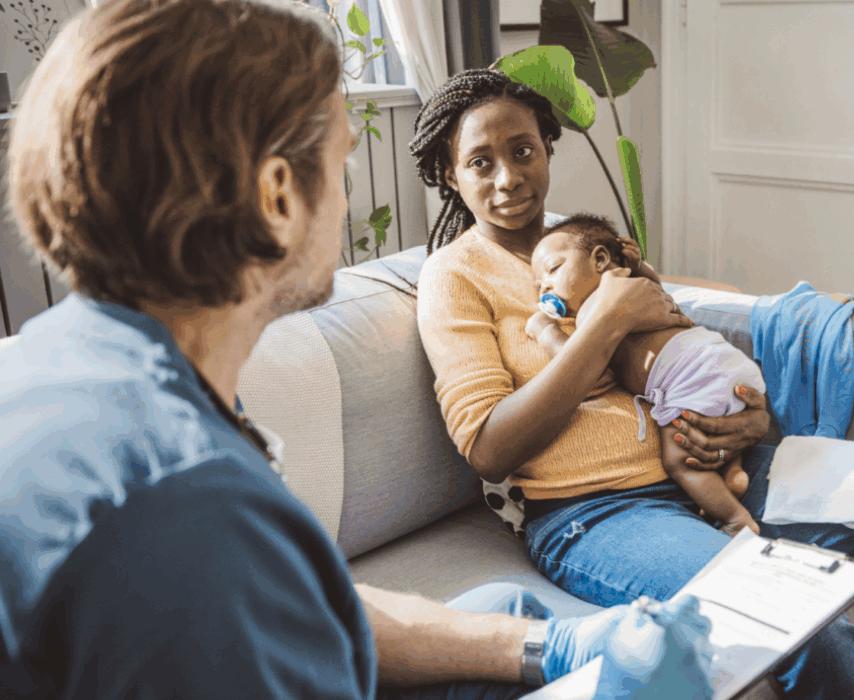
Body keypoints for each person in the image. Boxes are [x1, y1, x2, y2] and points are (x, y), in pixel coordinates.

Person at [0, 1, 711, 698]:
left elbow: (311, 606)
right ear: (278, 197)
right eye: (341, 163)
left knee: (504, 609)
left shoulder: (105, 369)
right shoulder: (184, 493)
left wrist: (540, 645)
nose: (343, 201)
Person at [414, 67, 854, 700]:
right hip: (596, 514)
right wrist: (602, 326)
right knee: (804, 623)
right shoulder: (453, 277)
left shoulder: (588, 243)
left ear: (547, 147)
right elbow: (488, 447)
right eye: (480, 162)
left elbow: (682, 351)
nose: (507, 178)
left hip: (708, 465)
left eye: (522, 151)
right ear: (451, 175)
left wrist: (747, 423)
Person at [526, 213, 762, 535]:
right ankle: (733, 473)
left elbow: (583, 370)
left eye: (553, 270)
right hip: (722, 360)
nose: (545, 288)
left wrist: (546, 333)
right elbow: (658, 293)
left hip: (689, 375)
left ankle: (736, 518)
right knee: (711, 431)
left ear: (599, 259)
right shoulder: (637, 287)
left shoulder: (599, 306)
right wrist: (640, 268)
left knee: (679, 460)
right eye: (539, 285)